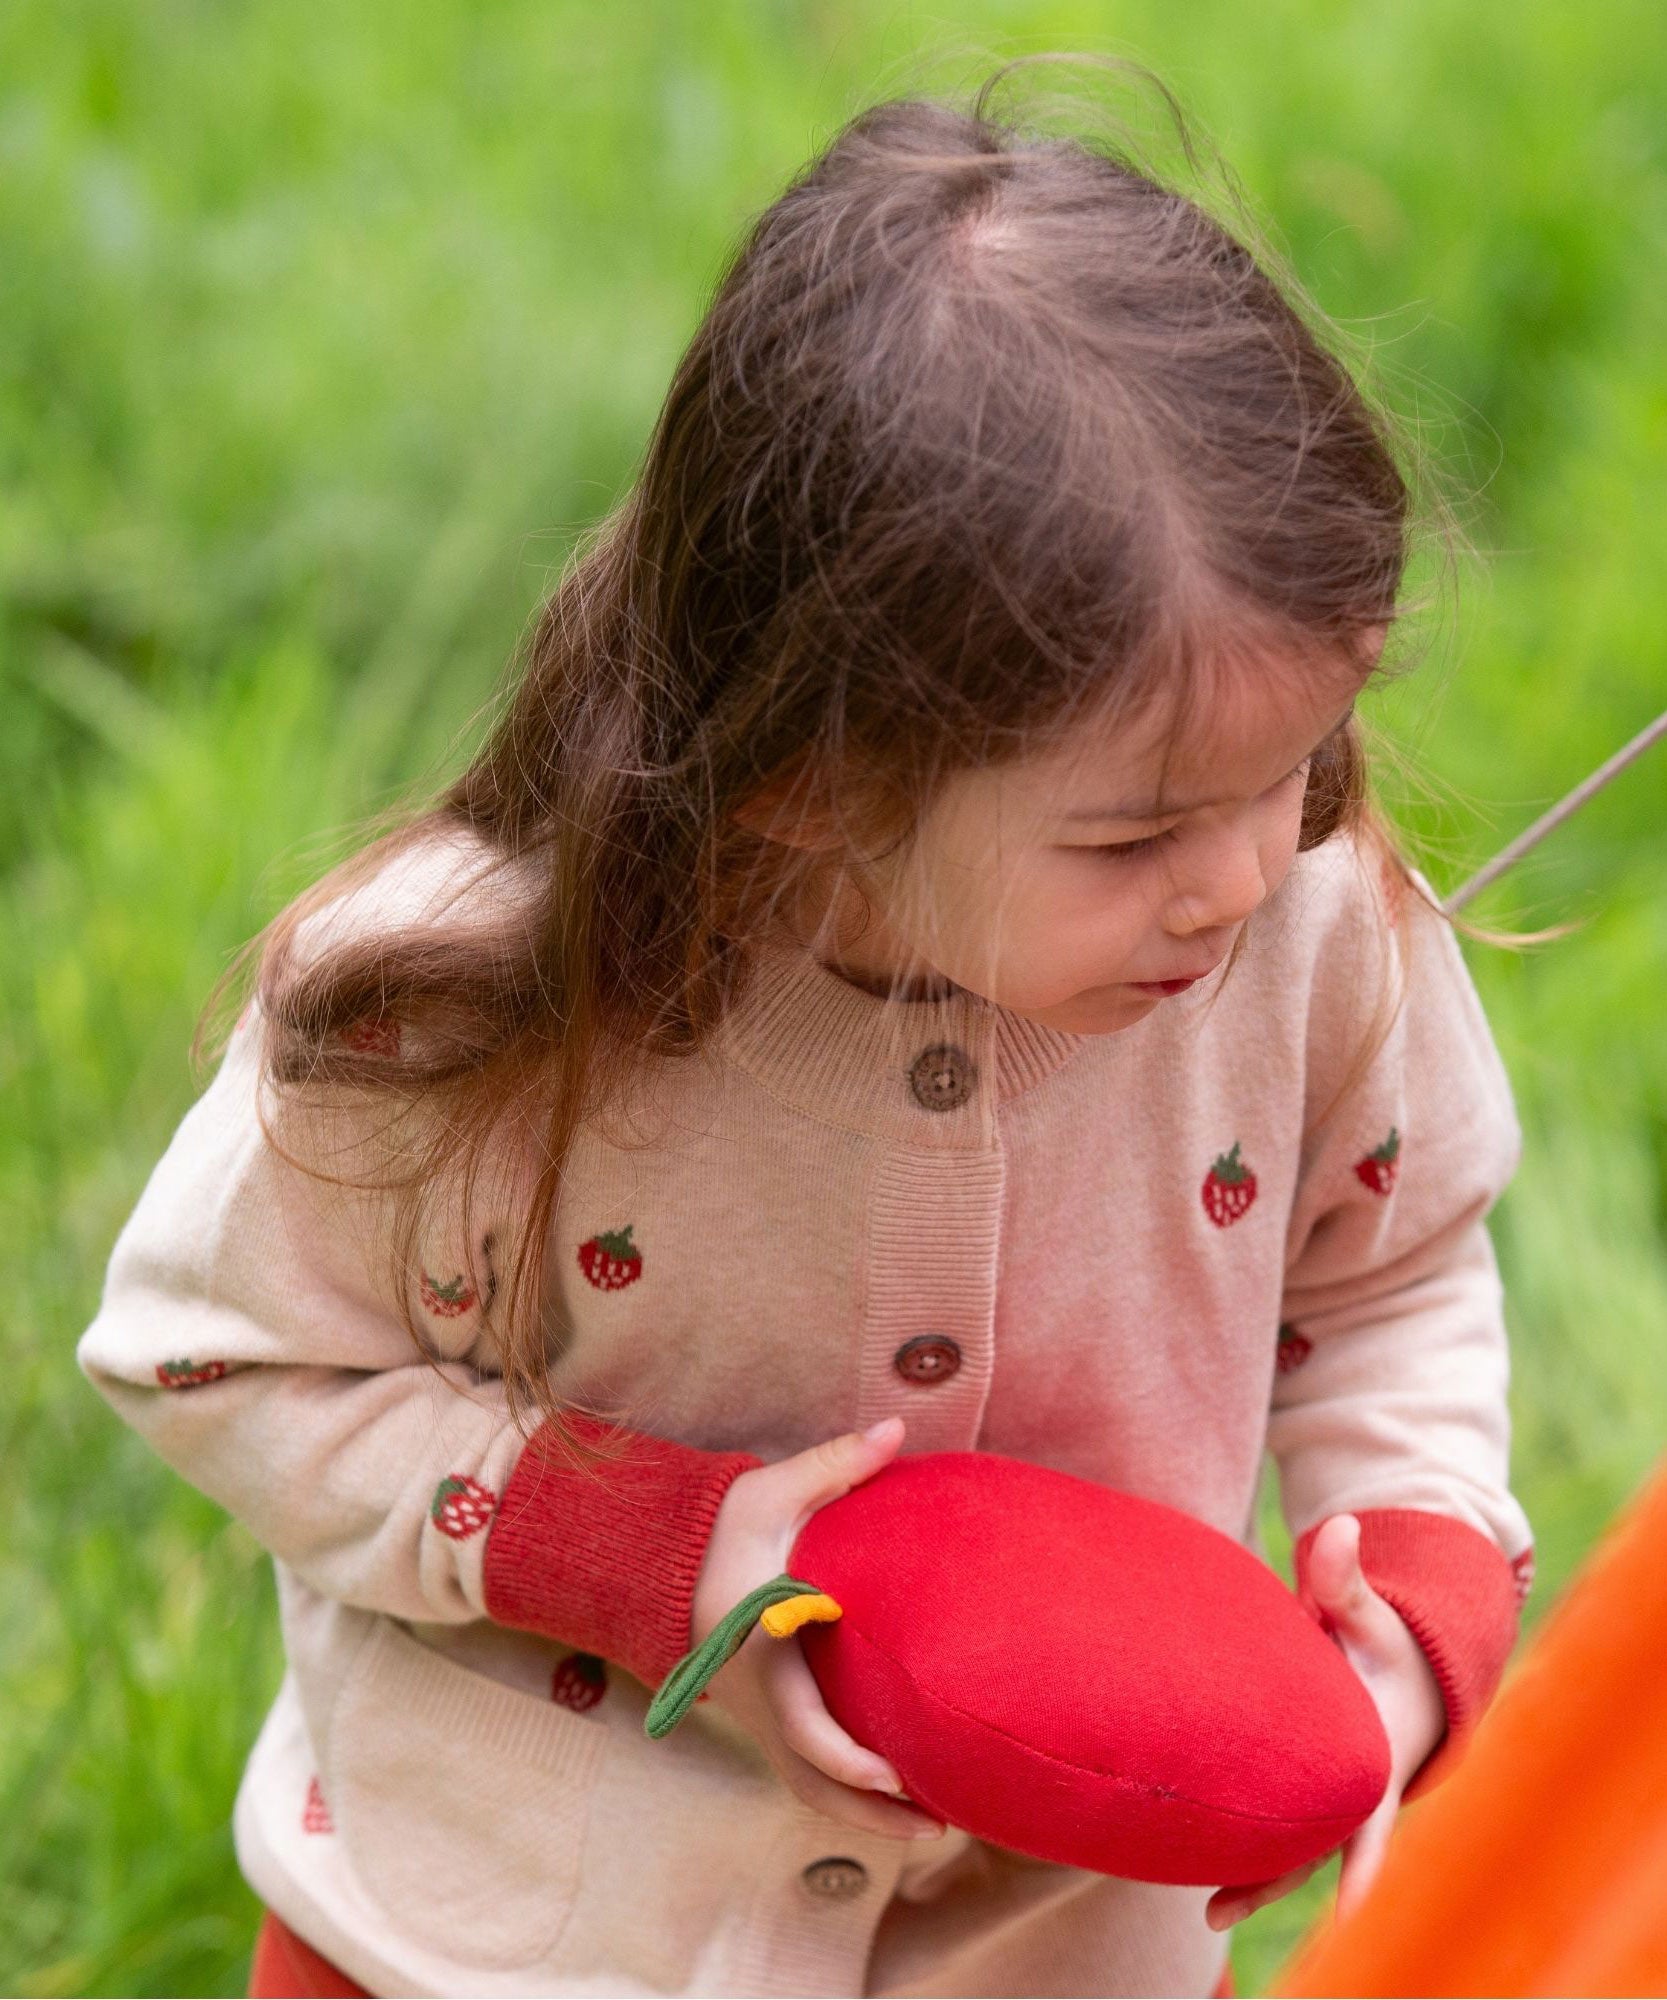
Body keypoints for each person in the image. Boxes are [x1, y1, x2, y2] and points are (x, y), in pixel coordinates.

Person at [77, 56, 1535, 2000]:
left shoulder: (1309, 920)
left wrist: (1411, 1573)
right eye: (1136, 832)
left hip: (1032, 1953)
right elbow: (207, 1354)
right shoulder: (478, 1010)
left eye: (1299, 763)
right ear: (805, 779)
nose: (1244, 873)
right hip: (500, 1942)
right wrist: (635, 1542)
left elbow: (1393, 1268)